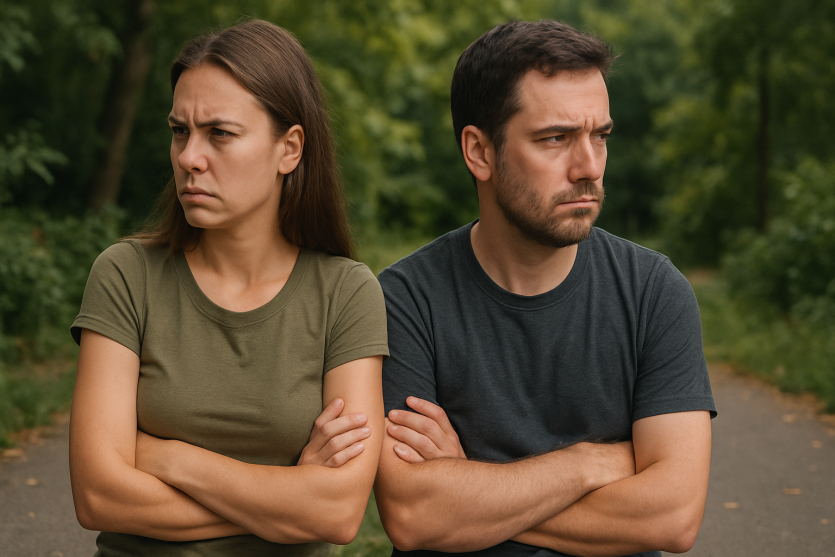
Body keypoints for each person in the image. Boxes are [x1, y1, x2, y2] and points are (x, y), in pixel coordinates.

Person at [374, 20, 716, 557]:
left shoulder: (654, 292)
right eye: (555, 138)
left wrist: (470, 486)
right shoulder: (404, 300)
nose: (588, 168)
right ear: (479, 152)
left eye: (599, 136)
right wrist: (590, 463)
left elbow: (671, 517)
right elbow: (415, 515)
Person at [69, 19, 388, 557]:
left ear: (289, 149)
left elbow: (335, 512)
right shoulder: (126, 274)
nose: (190, 157)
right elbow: (98, 497)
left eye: (219, 133)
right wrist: (287, 499)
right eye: (179, 131)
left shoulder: (346, 293)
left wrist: (170, 459)